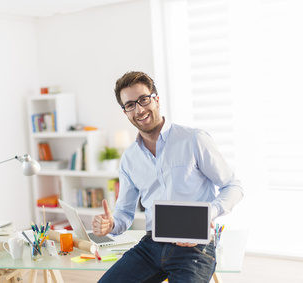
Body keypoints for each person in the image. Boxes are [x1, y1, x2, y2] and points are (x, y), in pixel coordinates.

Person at [92, 71, 244, 283]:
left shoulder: (193, 140)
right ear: (125, 112)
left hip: (194, 247)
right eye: (130, 105)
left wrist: (208, 214)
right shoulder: (129, 159)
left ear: (156, 99)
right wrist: (111, 225)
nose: (139, 109)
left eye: (144, 99)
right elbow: (124, 213)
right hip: (151, 245)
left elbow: (233, 186)